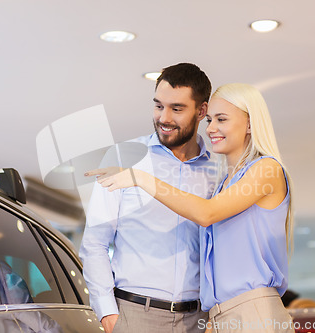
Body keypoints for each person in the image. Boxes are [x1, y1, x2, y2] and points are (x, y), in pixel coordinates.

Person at [88, 83, 296, 332]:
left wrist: (140, 178)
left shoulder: (266, 170)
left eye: (221, 119)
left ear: (250, 124)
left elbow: (206, 213)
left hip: (252, 312)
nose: (211, 128)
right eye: (210, 120)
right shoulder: (224, 182)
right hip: (220, 315)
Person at [79, 63, 218, 333]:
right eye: (158, 106)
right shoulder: (123, 158)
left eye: (177, 109)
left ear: (202, 111)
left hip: (199, 319)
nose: (164, 117)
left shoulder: (217, 170)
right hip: (133, 315)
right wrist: (107, 313)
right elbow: (95, 243)